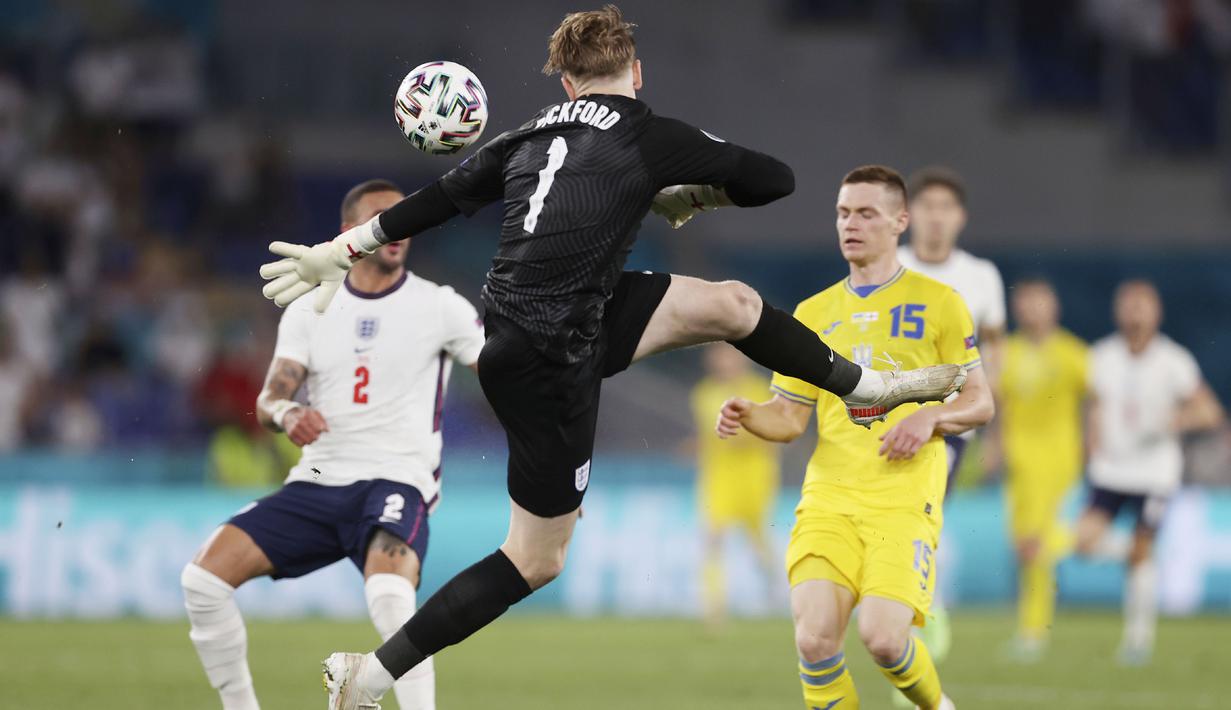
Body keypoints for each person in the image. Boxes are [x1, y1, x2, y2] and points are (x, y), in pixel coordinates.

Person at [258, 9, 966, 707]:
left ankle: (863, 387)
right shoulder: (646, 132)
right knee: (535, 559)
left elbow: (436, 200)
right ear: (636, 72)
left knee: (732, 305)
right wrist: (691, 192)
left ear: (567, 84)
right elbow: (773, 179)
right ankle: (368, 679)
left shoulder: (527, 135)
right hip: (554, 356)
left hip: (545, 323)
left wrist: (340, 250)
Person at [182, 179, 485, 710]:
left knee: (390, 597)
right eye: (381, 219)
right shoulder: (310, 308)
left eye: (404, 218)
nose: (397, 229)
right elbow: (271, 399)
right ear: (350, 232)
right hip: (320, 482)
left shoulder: (440, 306)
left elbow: (503, 374)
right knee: (201, 581)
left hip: (397, 480)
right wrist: (289, 412)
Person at [717, 165, 994, 710]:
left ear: (900, 221)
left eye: (866, 213)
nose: (851, 224)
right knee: (814, 641)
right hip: (830, 499)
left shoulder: (940, 302)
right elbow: (790, 418)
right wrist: (751, 414)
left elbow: (980, 401)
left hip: (902, 499)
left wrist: (930, 419)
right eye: (843, 213)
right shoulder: (813, 313)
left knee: (885, 640)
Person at [1074, 279, 1224, 665]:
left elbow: (1210, 411)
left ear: (1157, 312)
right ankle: (1141, 551)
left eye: (1142, 305)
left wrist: (1178, 419)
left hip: (1155, 473)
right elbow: (1093, 406)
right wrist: (1091, 443)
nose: (1135, 312)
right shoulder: (1101, 356)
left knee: (1140, 557)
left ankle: (1137, 640)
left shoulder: (1174, 361)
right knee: (1083, 543)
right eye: (1128, 304)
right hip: (1111, 470)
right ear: (1117, 311)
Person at [896, 167, 1006, 667]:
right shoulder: (889, 265)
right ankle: (911, 611)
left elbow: (995, 349)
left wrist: (987, 408)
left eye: (945, 208)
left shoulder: (981, 276)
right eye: (927, 207)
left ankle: (924, 613)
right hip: (889, 414)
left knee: (922, 509)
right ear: (908, 215)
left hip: (950, 419)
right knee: (897, 516)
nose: (936, 217)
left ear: (960, 217)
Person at [997, 278, 1088, 661]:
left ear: (1053, 307)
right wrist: (995, 448)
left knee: (1036, 546)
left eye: (1039, 302)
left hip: (1057, 463)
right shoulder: (1007, 352)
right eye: (1025, 302)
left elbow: (1095, 401)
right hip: (1020, 463)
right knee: (1027, 546)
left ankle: (1033, 631)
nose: (1031, 309)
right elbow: (998, 403)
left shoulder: (1073, 353)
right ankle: (1099, 542)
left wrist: (1092, 445)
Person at [689, 343, 781, 628]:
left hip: (755, 474)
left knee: (757, 538)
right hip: (719, 475)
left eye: (730, 357)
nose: (725, 363)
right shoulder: (703, 393)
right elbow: (712, 434)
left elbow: (769, 431)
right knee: (713, 537)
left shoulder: (759, 389)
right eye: (720, 358)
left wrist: (742, 436)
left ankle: (775, 588)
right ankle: (713, 609)